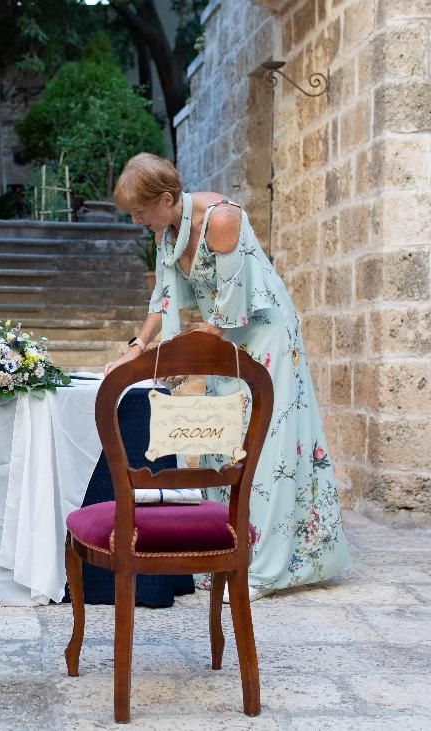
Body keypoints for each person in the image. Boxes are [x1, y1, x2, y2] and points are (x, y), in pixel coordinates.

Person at [106, 152, 351, 600]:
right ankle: (226, 549)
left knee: (266, 447)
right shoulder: (167, 230)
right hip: (221, 338)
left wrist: (183, 356)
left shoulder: (221, 219)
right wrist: (137, 348)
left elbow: (229, 306)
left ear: (166, 198)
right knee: (223, 441)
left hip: (263, 336)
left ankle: (262, 569)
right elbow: (165, 296)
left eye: (140, 211)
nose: (136, 220)